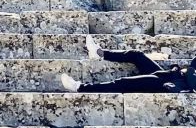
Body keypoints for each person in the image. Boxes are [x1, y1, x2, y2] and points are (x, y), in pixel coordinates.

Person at [61, 36, 196, 93]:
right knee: (136, 55)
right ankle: (100, 53)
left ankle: (79, 88)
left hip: (172, 84)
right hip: (172, 75)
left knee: (124, 83)